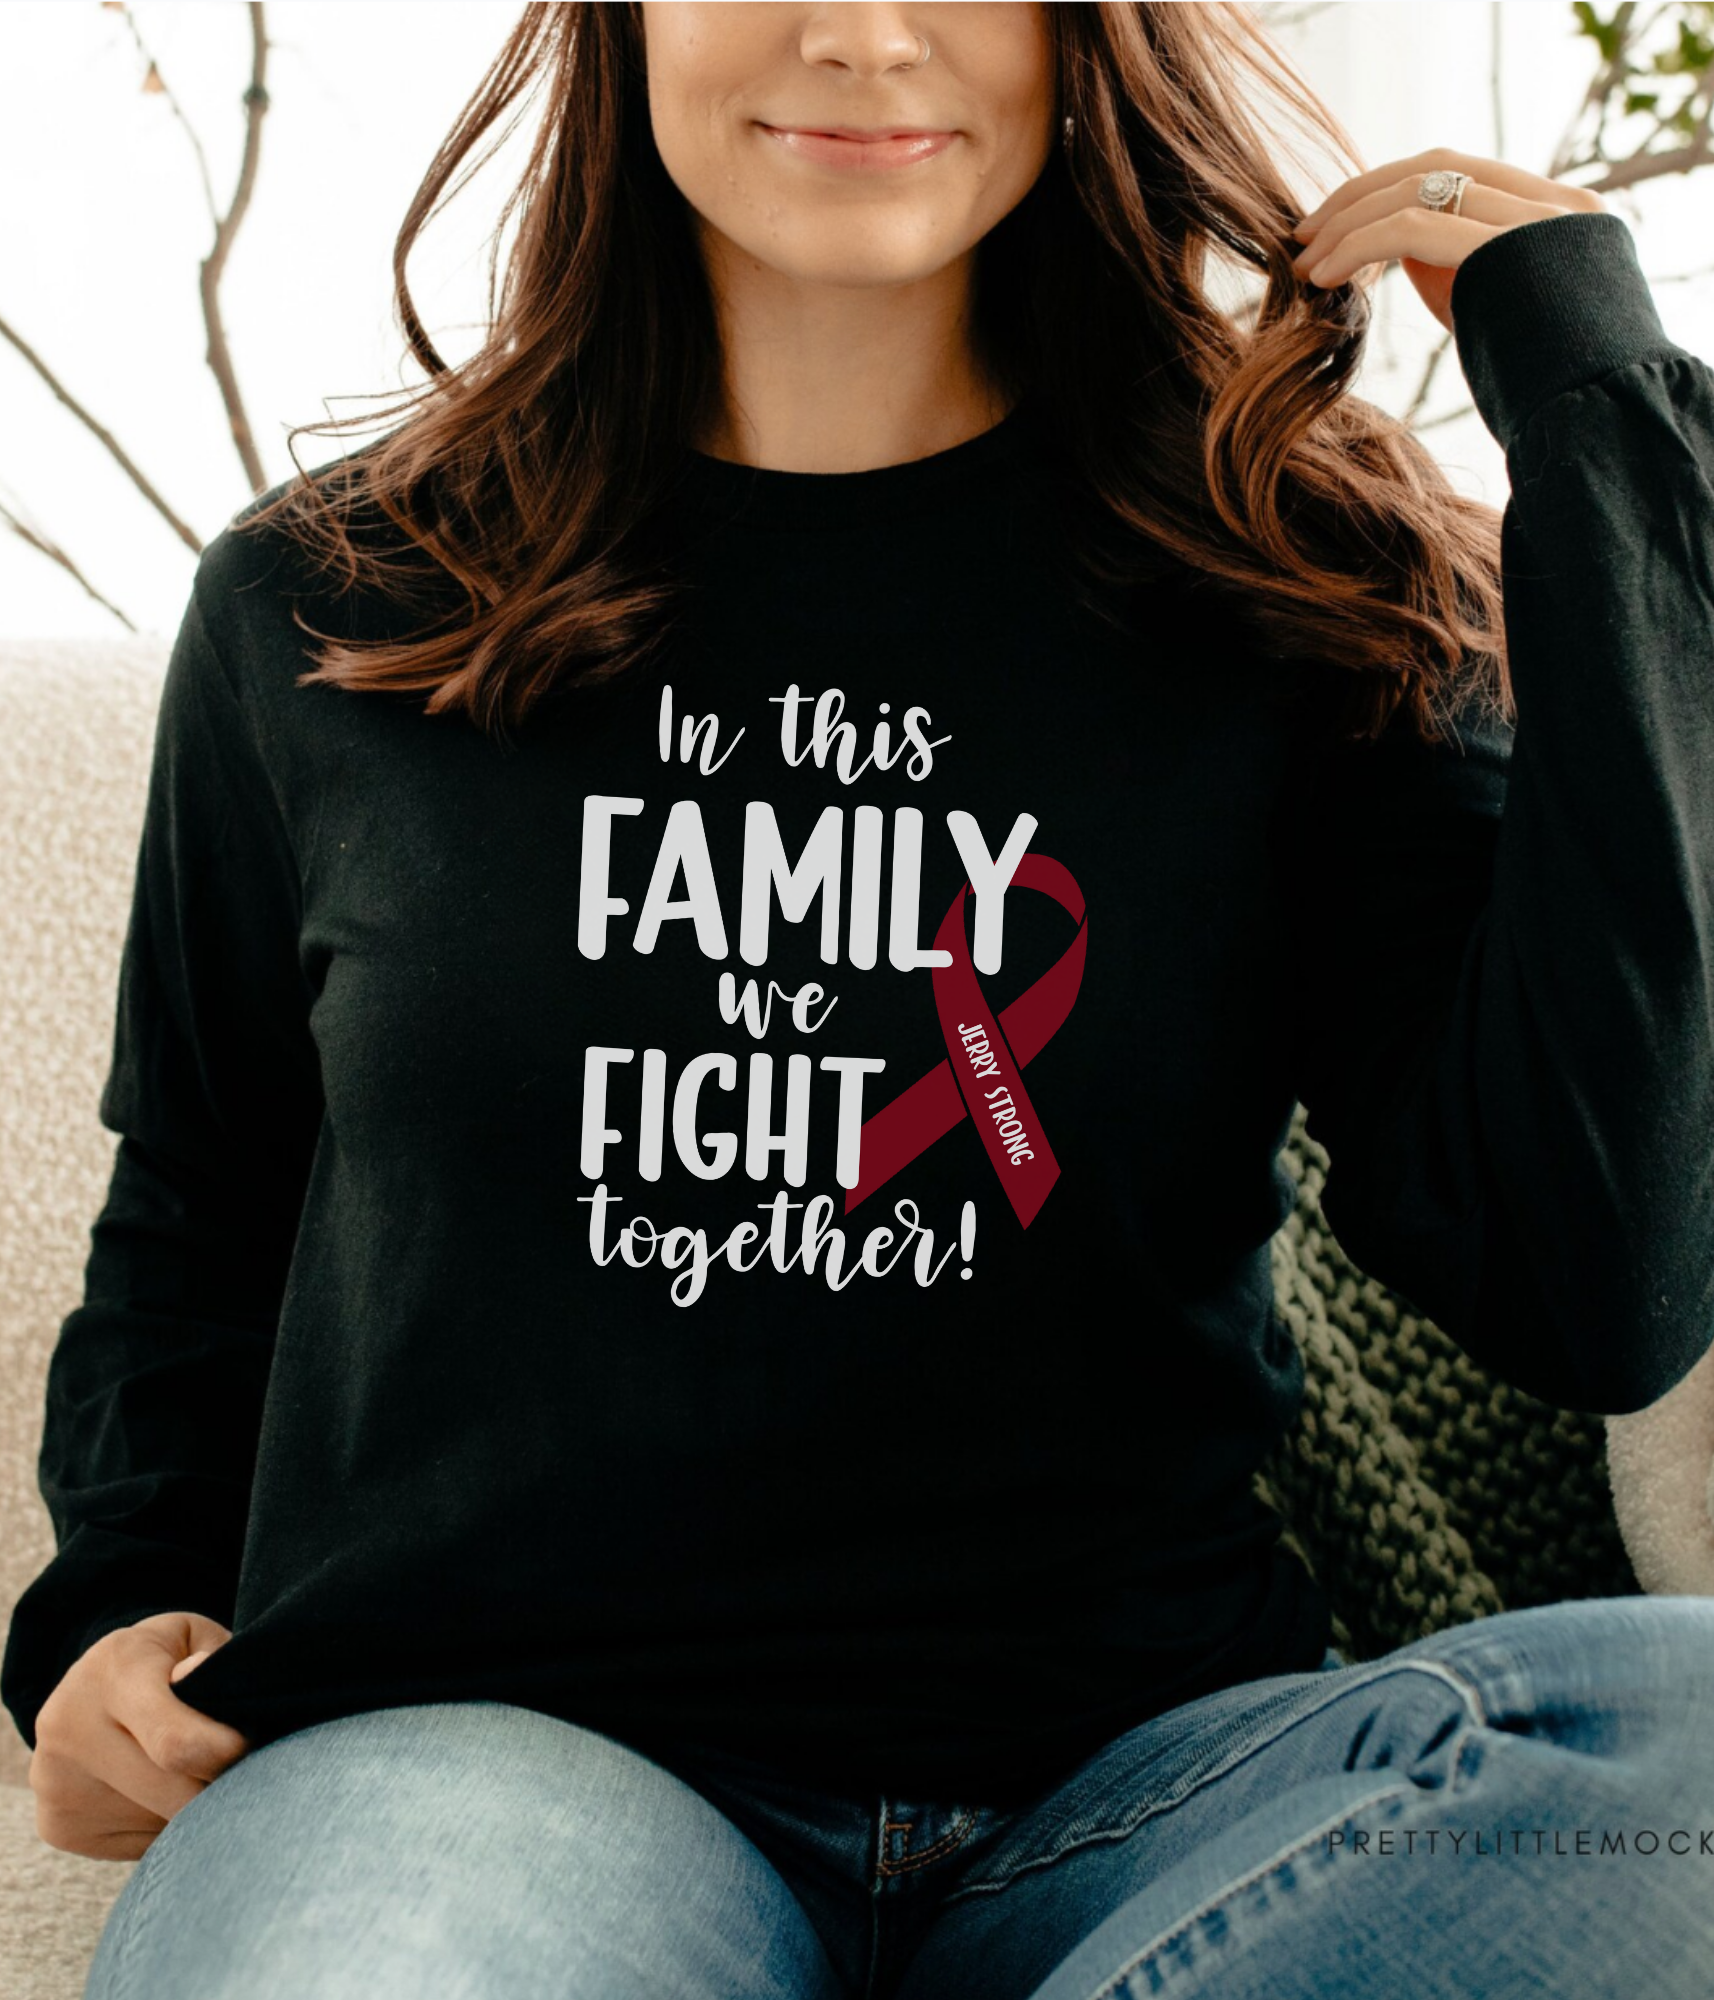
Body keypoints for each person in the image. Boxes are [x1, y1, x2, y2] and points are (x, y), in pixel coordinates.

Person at [6, 3, 1714, 1995]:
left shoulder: (1289, 597)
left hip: (1151, 1813)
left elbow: (1600, 1269)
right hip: (496, 1775)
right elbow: (205, 1208)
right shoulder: (341, 604)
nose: (858, 33)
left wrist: (1598, 409)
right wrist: (106, 1609)